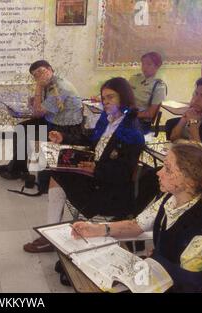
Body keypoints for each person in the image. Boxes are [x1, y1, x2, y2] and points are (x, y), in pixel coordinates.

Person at [72, 141, 202, 293]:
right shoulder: (172, 197)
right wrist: (97, 229)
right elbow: (136, 225)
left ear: (189, 181)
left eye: (167, 169)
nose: (158, 172)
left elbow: (189, 285)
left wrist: (155, 262)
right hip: (155, 275)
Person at [23, 77, 145, 253]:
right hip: (96, 177)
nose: (106, 102)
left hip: (108, 191)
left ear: (124, 98)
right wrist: (64, 137)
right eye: (104, 98)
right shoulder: (108, 119)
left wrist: (95, 169)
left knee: (57, 175)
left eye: (111, 97)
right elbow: (90, 141)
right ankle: (51, 233)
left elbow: (123, 174)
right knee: (56, 172)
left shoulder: (132, 132)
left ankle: (50, 235)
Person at [0, 60, 84, 180]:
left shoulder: (60, 87)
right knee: (20, 129)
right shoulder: (49, 83)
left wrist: (38, 86)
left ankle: (15, 169)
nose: (39, 76)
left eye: (41, 72)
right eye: (35, 75)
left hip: (65, 129)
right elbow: (39, 109)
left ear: (50, 69)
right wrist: (35, 100)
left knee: (28, 136)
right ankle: (18, 168)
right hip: (51, 121)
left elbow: (37, 113)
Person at [169, 77, 202, 154]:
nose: (196, 99)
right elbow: (173, 138)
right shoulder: (198, 112)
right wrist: (184, 118)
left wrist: (193, 124)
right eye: (196, 94)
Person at [129, 52, 167, 134]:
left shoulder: (159, 86)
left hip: (141, 121)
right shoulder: (134, 79)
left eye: (149, 64)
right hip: (127, 114)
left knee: (118, 131)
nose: (144, 67)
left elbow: (150, 113)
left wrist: (131, 115)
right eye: (143, 64)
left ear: (157, 66)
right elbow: (124, 96)